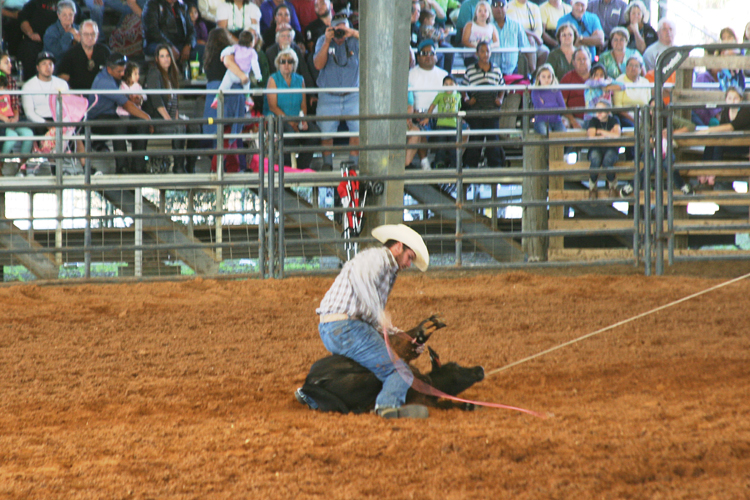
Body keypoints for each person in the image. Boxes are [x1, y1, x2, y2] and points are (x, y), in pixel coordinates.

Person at [295, 223, 431, 420]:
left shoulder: (378, 262)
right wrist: (379, 312)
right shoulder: (377, 259)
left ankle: (315, 396)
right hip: (348, 327)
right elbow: (362, 283)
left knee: (362, 371)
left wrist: (403, 336)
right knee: (400, 371)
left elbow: (373, 316)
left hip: (333, 328)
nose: (409, 264)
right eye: (410, 257)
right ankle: (386, 406)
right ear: (399, 247)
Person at [87, 53, 151, 174]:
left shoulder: (115, 78)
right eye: (119, 71)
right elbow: (126, 104)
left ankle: (139, 165)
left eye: (124, 70)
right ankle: (122, 167)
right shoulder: (104, 81)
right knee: (120, 124)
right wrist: (147, 117)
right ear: (109, 69)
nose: (122, 74)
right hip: (97, 119)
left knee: (141, 124)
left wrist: (144, 118)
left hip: (115, 114)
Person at [143, 44, 201, 173]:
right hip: (156, 120)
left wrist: (176, 117)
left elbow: (175, 102)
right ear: (157, 59)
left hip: (169, 117)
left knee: (195, 126)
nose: (166, 59)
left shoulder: (171, 75)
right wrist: (170, 120)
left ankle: (190, 166)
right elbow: (156, 100)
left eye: (168, 56)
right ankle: (178, 166)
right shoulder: (154, 73)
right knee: (178, 127)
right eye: (162, 56)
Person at [313, 11, 360, 171]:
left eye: (343, 29)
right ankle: (327, 163)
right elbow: (318, 65)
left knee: (357, 129)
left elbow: (375, 47)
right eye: (337, 29)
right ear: (330, 28)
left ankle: (353, 163)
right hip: (328, 94)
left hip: (353, 94)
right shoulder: (323, 40)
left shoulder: (355, 40)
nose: (340, 33)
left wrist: (353, 33)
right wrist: (327, 41)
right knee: (326, 132)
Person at [264, 47, 319, 168]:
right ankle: (286, 168)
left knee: (314, 134)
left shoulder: (300, 80)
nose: (286, 65)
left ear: (295, 64)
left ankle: (301, 167)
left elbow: (303, 106)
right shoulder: (273, 79)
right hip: (277, 119)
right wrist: (290, 121)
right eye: (283, 62)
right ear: (278, 64)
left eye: (290, 62)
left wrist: (302, 120)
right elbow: (273, 107)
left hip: (296, 118)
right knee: (288, 132)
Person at [462, 41, 506, 168]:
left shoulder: (496, 69)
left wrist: (500, 99)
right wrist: (467, 100)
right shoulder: (470, 70)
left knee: (493, 139)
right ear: (477, 53)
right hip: (476, 109)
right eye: (482, 51)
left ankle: (496, 166)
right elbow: (463, 88)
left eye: (488, 51)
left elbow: (502, 87)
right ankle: (471, 166)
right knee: (476, 139)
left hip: (492, 109)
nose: (485, 54)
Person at [697, 86, 750, 190]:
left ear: (741, 99)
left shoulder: (745, 111)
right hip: (731, 143)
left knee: (719, 144)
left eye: (735, 98)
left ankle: (714, 172)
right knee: (710, 143)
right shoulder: (726, 111)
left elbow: (731, 127)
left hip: (743, 144)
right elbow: (722, 128)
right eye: (729, 98)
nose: (732, 101)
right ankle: (703, 173)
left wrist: (708, 130)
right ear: (726, 99)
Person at [408, 39, 447, 171]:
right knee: (421, 128)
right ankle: (425, 163)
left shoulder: (444, 75)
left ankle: (449, 162)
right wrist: (414, 114)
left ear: (436, 56)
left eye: (431, 53)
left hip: (441, 115)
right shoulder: (410, 75)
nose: (428, 56)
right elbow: (407, 101)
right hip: (420, 114)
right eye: (424, 53)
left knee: (465, 130)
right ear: (418, 57)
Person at [421, 75, 465, 169]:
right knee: (441, 146)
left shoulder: (458, 95)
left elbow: (459, 108)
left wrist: (461, 119)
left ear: (456, 85)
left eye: (451, 84)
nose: (448, 86)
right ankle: (439, 163)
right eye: (446, 84)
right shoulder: (440, 95)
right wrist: (427, 118)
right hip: (441, 124)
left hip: (453, 125)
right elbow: (432, 106)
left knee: (453, 147)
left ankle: (454, 164)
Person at [210, 30, 262, 109]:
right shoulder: (252, 52)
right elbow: (255, 65)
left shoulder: (235, 47)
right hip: (244, 74)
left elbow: (227, 50)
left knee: (224, 86)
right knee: (246, 86)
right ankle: (247, 98)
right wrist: (258, 76)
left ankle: (217, 98)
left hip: (232, 73)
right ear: (251, 43)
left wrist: (222, 55)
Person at [21, 51, 69, 133]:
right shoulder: (28, 86)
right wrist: (44, 123)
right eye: (44, 64)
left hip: (58, 120)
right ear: (37, 67)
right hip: (39, 121)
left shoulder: (62, 83)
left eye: (50, 64)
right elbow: (29, 113)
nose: (48, 67)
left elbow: (67, 107)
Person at [0, 60, 34, 174]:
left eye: (4, 87)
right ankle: (0, 164)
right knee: (12, 137)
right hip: (3, 125)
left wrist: (14, 119)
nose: (3, 90)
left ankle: (21, 168)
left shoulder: (9, 89)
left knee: (28, 134)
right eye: (6, 62)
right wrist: (4, 119)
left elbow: (14, 106)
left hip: (11, 121)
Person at [56, 20, 110, 90]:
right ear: (79, 35)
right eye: (86, 34)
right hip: (77, 95)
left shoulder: (104, 51)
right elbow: (62, 78)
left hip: (101, 94)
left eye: (93, 34)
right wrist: (73, 94)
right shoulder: (70, 54)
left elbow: (112, 73)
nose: (90, 37)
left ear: (98, 35)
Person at [142, 0, 197, 66]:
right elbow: (153, 31)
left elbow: (191, 30)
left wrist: (189, 45)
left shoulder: (181, 5)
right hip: (157, 43)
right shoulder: (152, 4)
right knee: (165, 52)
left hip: (180, 44)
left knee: (203, 51)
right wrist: (170, 46)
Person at [586, 99, 621, 199]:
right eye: (597, 110)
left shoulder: (614, 119)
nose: (598, 113)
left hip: (611, 148)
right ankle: (592, 187)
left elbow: (616, 135)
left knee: (608, 161)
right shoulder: (593, 120)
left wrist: (601, 132)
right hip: (596, 147)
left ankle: (612, 186)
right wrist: (609, 134)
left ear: (608, 111)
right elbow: (591, 137)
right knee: (595, 159)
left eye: (601, 110)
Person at [17, 0, 59, 80]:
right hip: (36, 41)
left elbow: (81, 20)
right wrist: (30, 34)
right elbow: (22, 18)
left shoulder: (66, 3)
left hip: (57, 41)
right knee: (27, 49)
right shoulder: (34, 3)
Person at [492, 0, 532, 77]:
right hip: (491, 71)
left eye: (501, 5)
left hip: (512, 70)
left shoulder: (516, 26)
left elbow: (525, 48)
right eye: (495, 5)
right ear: (491, 8)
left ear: (507, 7)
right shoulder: (486, 26)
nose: (498, 8)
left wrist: (529, 69)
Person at [506, 0, 547, 70]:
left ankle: (536, 75)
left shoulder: (534, 7)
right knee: (530, 41)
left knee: (545, 51)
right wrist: (534, 36)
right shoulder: (509, 6)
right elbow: (516, 27)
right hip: (516, 38)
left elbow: (539, 29)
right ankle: (532, 71)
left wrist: (535, 37)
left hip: (533, 38)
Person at [612, 54, 650, 128]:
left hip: (643, 117)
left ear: (640, 70)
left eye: (636, 66)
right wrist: (635, 119)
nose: (633, 68)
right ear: (626, 68)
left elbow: (648, 104)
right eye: (630, 65)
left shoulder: (645, 82)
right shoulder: (619, 81)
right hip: (625, 117)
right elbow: (618, 107)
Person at [560, 47, 591, 129]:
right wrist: (573, 121)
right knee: (563, 123)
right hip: (573, 119)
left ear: (590, 60)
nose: (582, 62)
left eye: (585, 59)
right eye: (578, 59)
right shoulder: (567, 78)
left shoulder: (598, 76)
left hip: (595, 118)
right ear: (573, 62)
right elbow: (562, 104)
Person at [531, 62, 566, 135]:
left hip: (556, 120)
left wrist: (546, 105)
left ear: (553, 77)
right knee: (547, 136)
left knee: (564, 137)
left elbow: (563, 108)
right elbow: (539, 108)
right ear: (538, 77)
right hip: (541, 121)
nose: (546, 79)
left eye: (549, 77)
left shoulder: (556, 90)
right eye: (543, 77)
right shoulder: (535, 91)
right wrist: (555, 105)